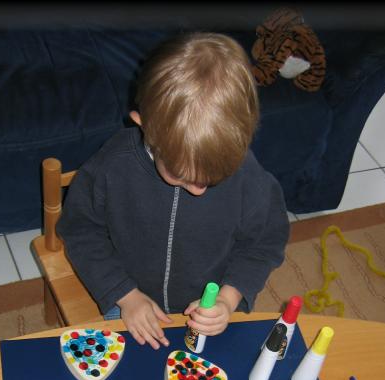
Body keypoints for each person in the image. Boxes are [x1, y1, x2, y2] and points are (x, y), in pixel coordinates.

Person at [57, 32, 289, 349]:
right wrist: (125, 295)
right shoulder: (113, 166)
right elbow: (81, 231)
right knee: (128, 369)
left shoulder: (248, 176)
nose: (198, 191)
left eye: (213, 180)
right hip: (129, 297)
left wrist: (229, 298)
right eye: (182, 176)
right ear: (144, 126)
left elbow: (264, 243)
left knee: (224, 371)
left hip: (212, 305)